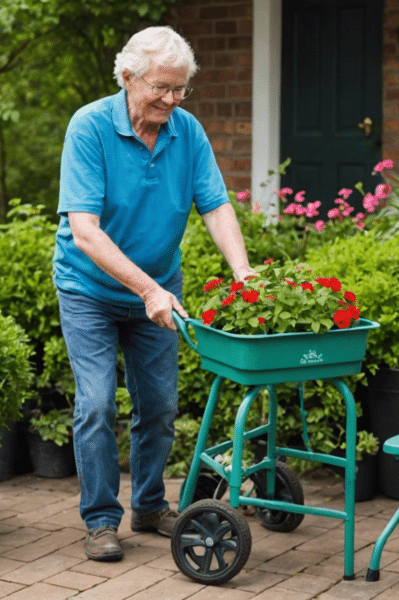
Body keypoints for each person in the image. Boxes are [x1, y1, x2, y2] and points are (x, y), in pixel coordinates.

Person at [53, 26, 255, 562]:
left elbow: (215, 205)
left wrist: (243, 273)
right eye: (162, 88)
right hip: (89, 289)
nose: (172, 99)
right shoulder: (90, 127)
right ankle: (100, 520)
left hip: (158, 288)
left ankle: (148, 504)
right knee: (96, 403)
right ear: (127, 78)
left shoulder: (186, 132)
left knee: (160, 405)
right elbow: (86, 230)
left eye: (181, 89)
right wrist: (147, 289)